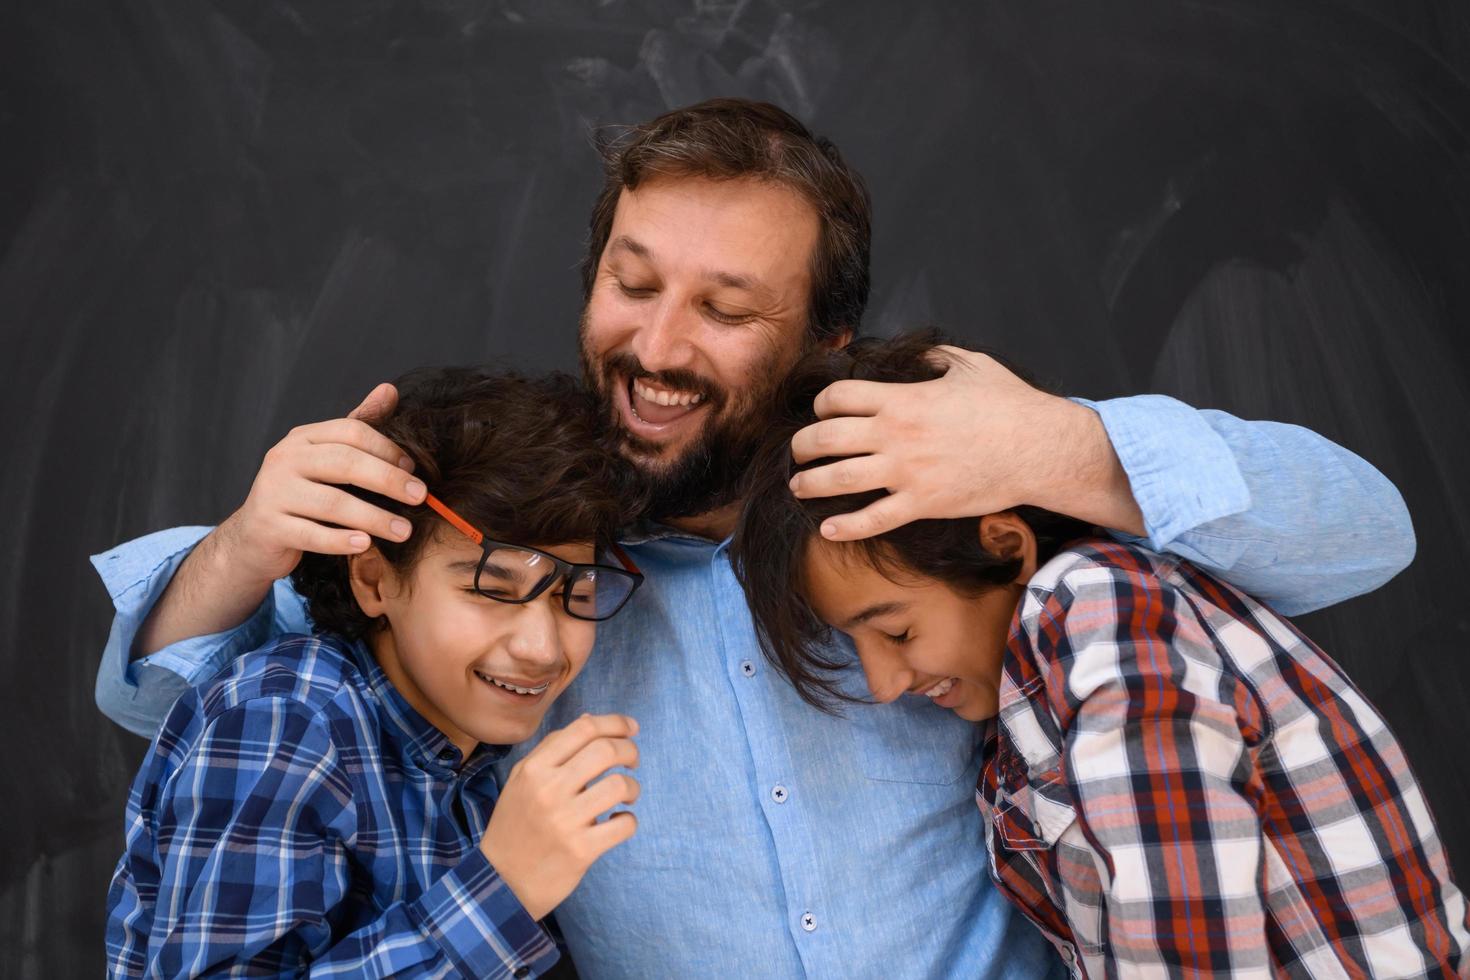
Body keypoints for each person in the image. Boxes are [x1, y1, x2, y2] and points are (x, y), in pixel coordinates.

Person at [93, 100, 1417, 978]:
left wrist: (1060, 444)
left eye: (724, 307)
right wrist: (247, 542)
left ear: (822, 339)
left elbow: (1366, 534)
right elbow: (165, 698)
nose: (656, 349)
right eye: (632, 284)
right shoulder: (513, 567)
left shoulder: (952, 503)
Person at [732, 332, 1470, 977]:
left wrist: (1060, 441)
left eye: (895, 632)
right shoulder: (1030, 695)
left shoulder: (1091, 611)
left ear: (1004, 546)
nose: (886, 683)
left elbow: (1188, 950)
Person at [105, 368, 646, 977]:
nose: (543, 648)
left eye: (577, 592)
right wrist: (503, 892)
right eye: (492, 589)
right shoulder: (286, 721)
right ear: (373, 579)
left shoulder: (474, 756)